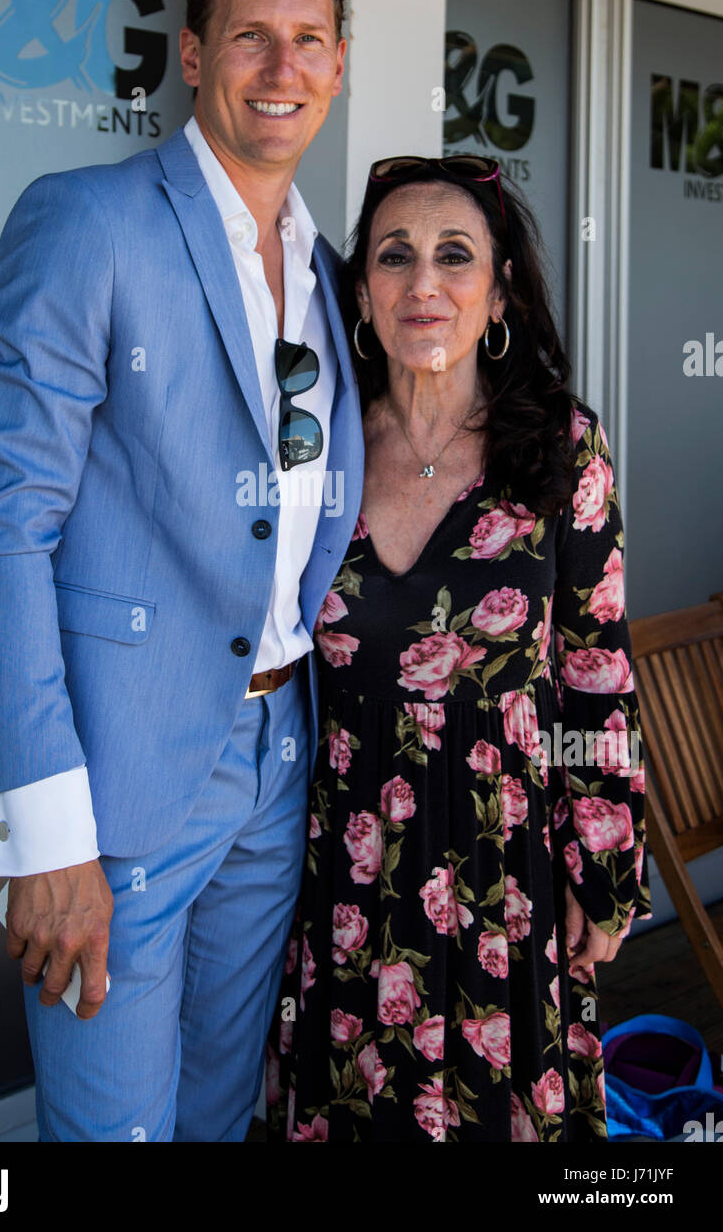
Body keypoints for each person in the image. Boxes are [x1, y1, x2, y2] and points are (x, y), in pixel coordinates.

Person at [0, 0, 364, 1142]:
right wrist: (46, 828)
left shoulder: (329, 272)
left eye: (308, 40)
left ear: (337, 64)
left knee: (220, 1110)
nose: (281, 68)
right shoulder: (88, 219)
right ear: (191, 53)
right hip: (115, 774)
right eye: (250, 38)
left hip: (280, 754)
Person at [266, 153, 652, 1142]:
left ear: (498, 289)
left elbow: (593, 671)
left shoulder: (561, 449)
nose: (423, 281)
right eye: (394, 256)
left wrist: (601, 860)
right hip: (348, 867)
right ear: (360, 290)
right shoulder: (313, 446)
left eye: (453, 255)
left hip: (506, 865)